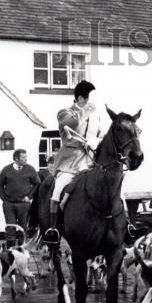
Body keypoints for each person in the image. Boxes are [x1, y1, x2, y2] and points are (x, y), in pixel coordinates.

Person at [47, 80, 99, 220]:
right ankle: (53, 228)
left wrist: (96, 141)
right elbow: (69, 124)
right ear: (81, 99)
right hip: (70, 162)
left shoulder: (95, 117)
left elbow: (101, 135)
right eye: (90, 99)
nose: (93, 104)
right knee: (59, 187)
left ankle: (126, 225)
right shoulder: (65, 113)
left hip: (91, 161)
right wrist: (86, 111)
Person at [0, 149, 40, 239]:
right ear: (16, 159)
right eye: (23, 157)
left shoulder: (30, 169)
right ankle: (11, 249)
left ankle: (22, 250)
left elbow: (37, 184)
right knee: (10, 228)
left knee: (23, 228)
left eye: (26, 157)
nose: (26, 159)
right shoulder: (6, 170)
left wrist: (29, 196)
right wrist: (3, 198)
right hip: (9, 205)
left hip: (24, 204)